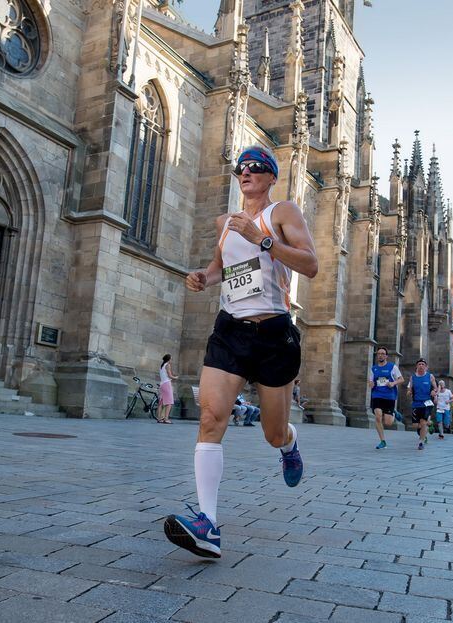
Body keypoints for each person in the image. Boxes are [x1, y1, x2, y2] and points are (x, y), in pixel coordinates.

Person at [163, 145, 317, 559]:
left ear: (271, 177)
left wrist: (262, 239)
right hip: (230, 329)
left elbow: (310, 264)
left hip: (274, 334)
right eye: (241, 168)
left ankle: (289, 445)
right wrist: (204, 277)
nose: (245, 172)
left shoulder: (283, 212)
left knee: (272, 432)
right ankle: (208, 525)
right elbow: (222, 268)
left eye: (256, 167)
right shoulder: (226, 223)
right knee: (211, 417)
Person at [369, 347, 403, 449]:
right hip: (377, 395)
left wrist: (393, 383)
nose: (380, 355)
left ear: (386, 356)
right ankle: (382, 441)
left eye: (383, 354)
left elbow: (401, 379)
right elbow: (370, 381)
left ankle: (393, 413)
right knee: (378, 416)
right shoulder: (373, 368)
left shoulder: (392, 367)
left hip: (389, 396)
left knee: (388, 422)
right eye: (379, 354)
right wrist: (371, 384)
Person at [406, 359, 436, 450]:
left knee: (423, 422)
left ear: (426, 367)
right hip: (416, 403)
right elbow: (410, 389)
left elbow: (435, 387)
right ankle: (429, 424)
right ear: (416, 366)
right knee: (416, 425)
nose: (421, 365)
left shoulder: (430, 376)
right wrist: (409, 392)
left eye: (423, 364)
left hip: (427, 403)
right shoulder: (413, 377)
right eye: (419, 364)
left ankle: (421, 442)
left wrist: (434, 391)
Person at [157, 354, 177, 424]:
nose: (171, 360)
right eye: (171, 359)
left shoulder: (162, 366)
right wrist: (176, 377)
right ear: (168, 359)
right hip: (167, 384)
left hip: (162, 384)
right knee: (169, 402)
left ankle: (159, 418)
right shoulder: (168, 365)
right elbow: (170, 375)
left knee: (161, 402)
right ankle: (166, 419)